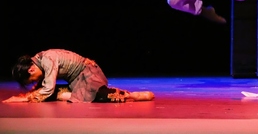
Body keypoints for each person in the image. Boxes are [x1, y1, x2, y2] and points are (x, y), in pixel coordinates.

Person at [2, 49, 154, 103]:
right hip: (76, 80)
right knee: (53, 93)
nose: (34, 81)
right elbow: (43, 84)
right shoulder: (38, 61)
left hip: (88, 74)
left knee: (97, 96)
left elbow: (47, 88)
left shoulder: (47, 59)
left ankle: (131, 95)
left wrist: (25, 98)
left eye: (31, 80)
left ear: (30, 70)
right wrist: (32, 93)